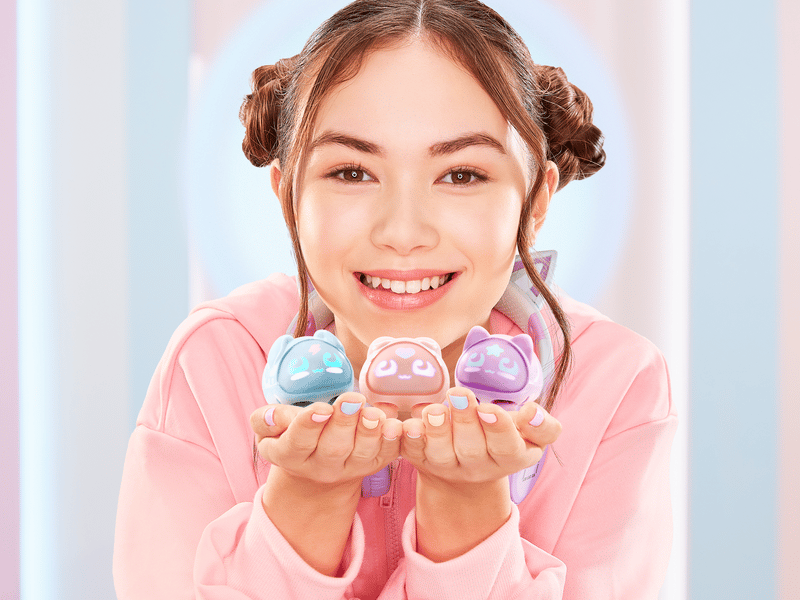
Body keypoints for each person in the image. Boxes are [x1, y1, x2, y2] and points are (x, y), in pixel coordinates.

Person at [113, 1, 677, 598]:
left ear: (535, 200)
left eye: (462, 175)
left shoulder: (615, 384)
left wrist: (468, 520)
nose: (403, 231)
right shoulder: (216, 361)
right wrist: (305, 501)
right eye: (352, 172)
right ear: (287, 196)